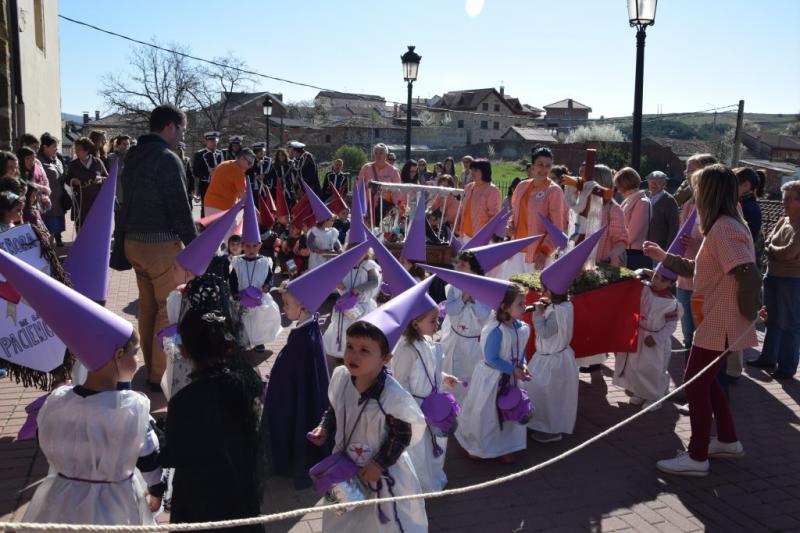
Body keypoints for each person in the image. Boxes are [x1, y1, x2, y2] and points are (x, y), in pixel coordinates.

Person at [0, 250, 164, 530]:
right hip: (116, 501)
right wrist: (157, 491)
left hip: (61, 497)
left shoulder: (58, 402)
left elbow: (48, 441)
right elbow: (149, 460)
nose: (138, 361)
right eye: (135, 353)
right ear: (118, 355)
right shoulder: (133, 409)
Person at [648, 164, 761, 476]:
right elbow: (706, 270)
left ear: (708, 192)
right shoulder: (725, 225)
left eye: (696, 187)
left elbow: (747, 273)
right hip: (716, 316)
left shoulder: (723, 228)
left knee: (696, 383)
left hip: (720, 319)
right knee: (707, 383)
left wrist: (750, 313)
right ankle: (727, 440)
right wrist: (664, 257)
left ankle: (697, 457)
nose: (693, 193)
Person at [308, 281, 431, 533]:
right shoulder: (342, 378)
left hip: (378, 472)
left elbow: (402, 435)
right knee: (341, 516)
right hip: (344, 465)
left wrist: (379, 463)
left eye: (364, 350)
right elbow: (334, 409)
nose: (353, 355)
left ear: (386, 358)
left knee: (380, 521)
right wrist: (324, 427)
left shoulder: (392, 396)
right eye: (350, 347)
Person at [161, 308, 264, 533]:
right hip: (241, 495)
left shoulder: (184, 400)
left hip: (199, 503)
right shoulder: (248, 385)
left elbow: (174, 454)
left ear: (184, 350)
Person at [120, 104, 197, 389]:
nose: (182, 136)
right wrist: (195, 247)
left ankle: (150, 365)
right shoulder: (167, 157)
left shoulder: (134, 155)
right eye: (182, 130)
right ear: (169, 127)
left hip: (133, 243)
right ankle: (158, 376)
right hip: (160, 245)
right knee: (168, 309)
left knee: (149, 307)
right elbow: (180, 207)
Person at [455, 283, 531, 463]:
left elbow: (521, 351)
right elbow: (492, 359)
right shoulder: (497, 330)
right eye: (519, 304)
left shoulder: (522, 328)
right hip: (492, 380)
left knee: (509, 410)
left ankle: (503, 446)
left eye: (524, 302)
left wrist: (524, 364)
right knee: (486, 414)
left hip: (511, 379)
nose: (525, 307)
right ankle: (478, 446)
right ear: (505, 307)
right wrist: (513, 370)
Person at [392, 305, 458, 492]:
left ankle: (433, 476)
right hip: (416, 408)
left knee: (435, 444)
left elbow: (430, 370)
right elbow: (400, 383)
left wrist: (444, 377)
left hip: (433, 405)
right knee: (419, 449)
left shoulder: (429, 342)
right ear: (415, 323)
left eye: (437, 319)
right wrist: (412, 409)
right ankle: (420, 484)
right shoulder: (406, 350)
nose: (437, 323)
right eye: (432, 320)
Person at [747, 180, 800, 380]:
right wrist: (773, 250)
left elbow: (789, 252)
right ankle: (769, 358)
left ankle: (787, 367)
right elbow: (769, 240)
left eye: (788, 199)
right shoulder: (783, 219)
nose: (783, 202)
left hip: (792, 281)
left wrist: (771, 250)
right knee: (772, 321)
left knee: (790, 325)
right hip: (773, 276)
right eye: (784, 198)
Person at [613, 268, 681, 410]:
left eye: (663, 280)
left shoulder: (671, 304)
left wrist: (656, 338)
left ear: (671, 284)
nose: (657, 282)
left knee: (653, 369)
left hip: (655, 341)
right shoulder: (645, 291)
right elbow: (635, 279)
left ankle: (655, 397)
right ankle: (641, 392)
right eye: (655, 277)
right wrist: (643, 271)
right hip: (640, 335)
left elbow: (671, 326)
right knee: (637, 366)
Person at [440, 251, 491, 403]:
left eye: (463, 265)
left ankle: (467, 406)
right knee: (451, 372)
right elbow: (451, 310)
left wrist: (474, 298)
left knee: (469, 376)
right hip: (454, 340)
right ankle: (450, 404)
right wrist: (463, 297)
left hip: (473, 344)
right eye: (458, 264)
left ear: (474, 269)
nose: (458, 267)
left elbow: (484, 316)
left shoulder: (485, 289)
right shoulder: (453, 287)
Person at [508, 146, 567, 273]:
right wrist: (510, 225)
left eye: (548, 165)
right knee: (514, 290)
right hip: (515, 250)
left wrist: (545, 252)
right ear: (532, 166)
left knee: (533, 292)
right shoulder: (522, 186)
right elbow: (514, 213)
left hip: (537, 254)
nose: (544, 169)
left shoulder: (554, 191)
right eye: (540, 164)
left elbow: (557, 227)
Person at [322, 248, 381, 364]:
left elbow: (374, 282)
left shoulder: (369, 265)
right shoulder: (346, 265)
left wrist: (360, 288)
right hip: (346, 303)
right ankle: (342, 353)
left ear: (365, 253)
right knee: (343, 329)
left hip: (362, 305)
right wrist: (339, 285)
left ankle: (361, 354)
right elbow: (338, 281)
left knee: (360, 330)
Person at [230, 227, 282, 353]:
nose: (251, 249)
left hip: (260, 297)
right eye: (247, 246)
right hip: (242, 296)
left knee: (260, 320)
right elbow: (233, 278)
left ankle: (259, 342)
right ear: (243, 246)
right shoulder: (238, 262)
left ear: (260, 246)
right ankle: (243, 340)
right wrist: (235, 293)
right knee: (244, 320)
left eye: (254, 246)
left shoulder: (265, 262)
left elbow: (270, 276)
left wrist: (267, 286)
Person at [204, 149, 256, 226]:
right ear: (242, 158)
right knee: (231, 236)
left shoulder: (224, 164)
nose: (250, 167)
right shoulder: (238, 172)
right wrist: (257, 213)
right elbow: (244, 197)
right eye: (249, 163)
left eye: (251, 164)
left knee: (214, 236)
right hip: (221, 208)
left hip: (209, 204)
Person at [455, 158, 501, 244]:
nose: (472, 172)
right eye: (471, 170)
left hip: (482, 237)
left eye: (475, 170)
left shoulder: (492, 190)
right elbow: (463, 208)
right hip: (465, 234)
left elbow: (493, 215)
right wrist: (458, 222)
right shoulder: (468, 187)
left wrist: (487, 235)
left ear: (484, 171)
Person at [615, 167, 652, 269]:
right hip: (624, 251)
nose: (618, 190)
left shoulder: (642, 202)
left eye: (618, 186)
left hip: (633, 254)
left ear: (624, 184)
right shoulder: (629, 201)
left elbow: (631, 235)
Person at [68, 136, 108, 230]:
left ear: (86, 150)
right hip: (80, 201)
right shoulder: (73, 164)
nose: (76, 152)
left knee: (95, 227)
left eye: (79, 149)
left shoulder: (97, 162)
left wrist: (101, 179)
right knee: (80, 227)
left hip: (95, 200)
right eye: (75, 149)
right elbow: (67, 180)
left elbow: (108, 178)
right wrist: (72, 181)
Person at [593, 165, 628, 267]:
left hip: (603, 269)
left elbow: (621, 241)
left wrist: (608, 259)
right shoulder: (584, 205)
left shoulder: (613, 209)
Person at [357, 143, 403, 221]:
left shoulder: (394, 171)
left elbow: (397, 192)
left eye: (381, 153)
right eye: (376, 153)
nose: (378, 155)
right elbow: (359, 187)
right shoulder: (366, 168)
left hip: (385, 209)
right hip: (368, 207)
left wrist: (398, 208)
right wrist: (358, 205)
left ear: (386, 155)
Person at [37, 133, 67, 245]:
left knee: (53, 232)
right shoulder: (38, 161)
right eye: (54, 146)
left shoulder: (56, 160)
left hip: (57, 203)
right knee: (46, 234)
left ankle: (51, 255)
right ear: (45, 147)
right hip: (45, 205)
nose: (56, 149)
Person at [192, 131, 224, 217]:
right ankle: (204, 228)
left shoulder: (220, 154)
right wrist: (208, 173)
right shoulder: (199, 154)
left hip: (219, 185)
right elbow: (196, 171)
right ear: (207, 141)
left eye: (216, 140)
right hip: (206, 184)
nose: (214, 142)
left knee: (218, 207)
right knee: (206, 207)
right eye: (212, 140)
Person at [646, 170, 680, 250]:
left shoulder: (669, 201)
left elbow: (674, 227)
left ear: (664, 184)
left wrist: (669, 249)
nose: (653, 185)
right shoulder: (645, 197)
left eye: (658, 182)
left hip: (660, 247)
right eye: (651, 182)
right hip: (644, 246)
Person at [107, 135, 131, 204]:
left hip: (128, 193)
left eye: (128, 144)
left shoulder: (131, 157)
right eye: (124, 144)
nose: (126, 146)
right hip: (117, 192)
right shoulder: (112, 157)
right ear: (118, 145)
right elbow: (116, 171)